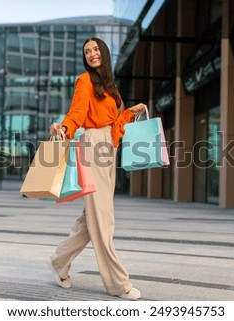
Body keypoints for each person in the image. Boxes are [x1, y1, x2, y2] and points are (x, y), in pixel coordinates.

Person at [46, 37, 146, 300]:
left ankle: (58, 261)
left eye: (95, 49)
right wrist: (64, 129)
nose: (92, 54)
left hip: (108, 149)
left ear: (104, 52)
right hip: (93, 146)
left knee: (92, 217)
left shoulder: (110, 86)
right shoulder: (85, 81)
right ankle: (118, 284)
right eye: (87, 51)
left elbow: (113, 124)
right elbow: (77, 114)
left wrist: (130, 113)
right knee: (103, 217)